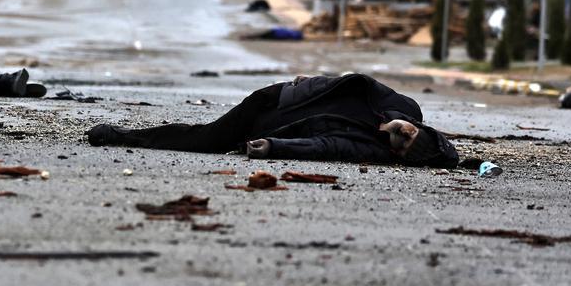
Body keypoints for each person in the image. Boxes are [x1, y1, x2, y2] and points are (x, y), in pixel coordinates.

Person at [86, 73, 459, 167]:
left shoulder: (374, 150)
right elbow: (356, 81)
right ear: (418, 127)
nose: (403, 137)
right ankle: (125, 135)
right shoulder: (403, 107)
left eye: (405, 146)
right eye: (412, 135)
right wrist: (306, 82)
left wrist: (274, 147)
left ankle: (123, 136)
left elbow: (326, 147)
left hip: (270, 127)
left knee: (204, 140)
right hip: (277, 96)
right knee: (206, 138)